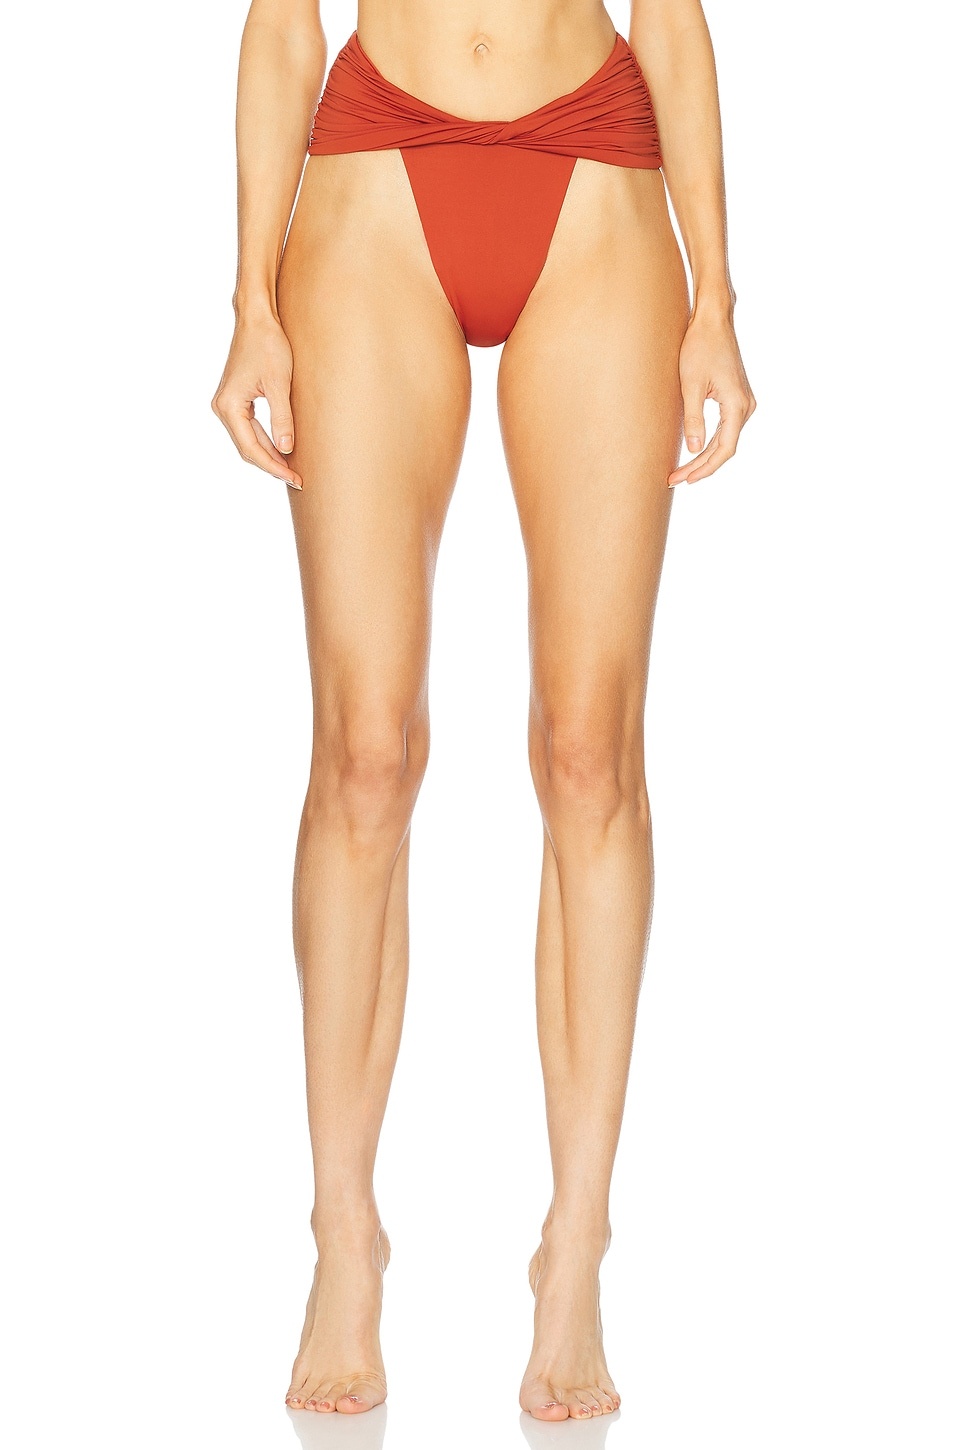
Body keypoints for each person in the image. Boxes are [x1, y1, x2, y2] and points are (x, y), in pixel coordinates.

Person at [212, 0, 755, 1422]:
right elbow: (281, 21)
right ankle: (344, 1237)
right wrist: (249, 300)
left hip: (595, 172)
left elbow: (672, 14)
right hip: (375, 173)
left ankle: (575, 1247)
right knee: (364, 751)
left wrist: (717, 297)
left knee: (589, 752)